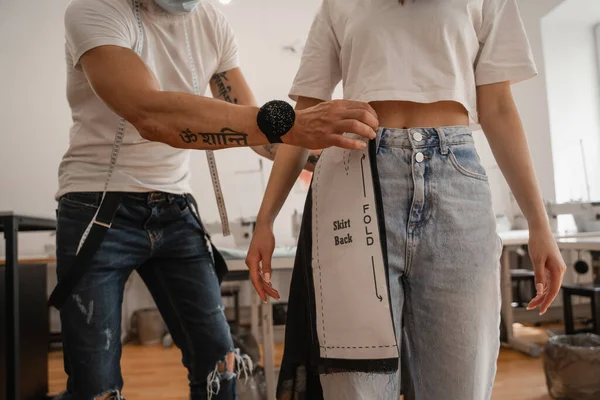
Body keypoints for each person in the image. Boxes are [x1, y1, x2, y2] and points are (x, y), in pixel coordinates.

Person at [53, 0, 379, 399]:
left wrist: (323, 151)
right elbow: (149, 113)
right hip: (97, 205)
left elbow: (259, 131)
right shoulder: (95, 9)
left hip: (174, 207)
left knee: (219, 362)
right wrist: (294, 124)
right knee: (94, 381)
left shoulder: (210, 22)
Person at [245, 0, 568, 399]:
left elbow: (498, 107)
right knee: (355, 386)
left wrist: (539, 224)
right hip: (355, 182)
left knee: (459, 385)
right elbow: (306, 113)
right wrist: (265, 221)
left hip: (456, 185)